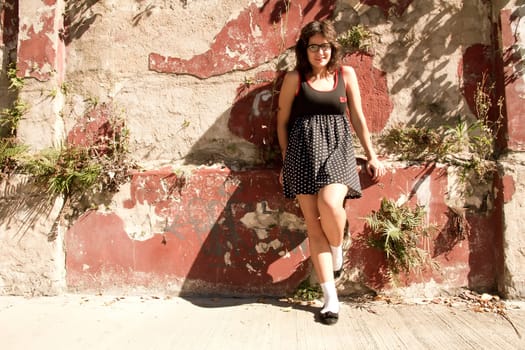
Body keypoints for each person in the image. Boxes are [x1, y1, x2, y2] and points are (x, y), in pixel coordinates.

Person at [277, 20, 385, 325]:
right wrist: (286, 161)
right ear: (305, 49)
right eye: (313, 46)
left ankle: (338, 247)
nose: (319, 51)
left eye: (325, 45)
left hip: (338, 149)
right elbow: (282, 120)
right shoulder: (294, 78)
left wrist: (372, 155)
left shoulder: (345, 74)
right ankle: (330, 299)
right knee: (314, 226)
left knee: (329, 203)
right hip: (302, 152)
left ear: (333, 48)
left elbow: (359, 118)